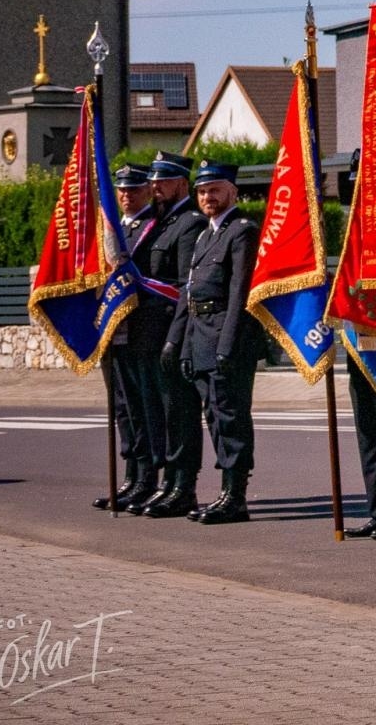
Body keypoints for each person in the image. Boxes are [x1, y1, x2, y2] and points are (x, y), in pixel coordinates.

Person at [166, 161, 262, 525]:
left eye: (215, 190)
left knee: (231, 417)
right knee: (214, 417)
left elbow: (239, 294)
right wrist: (187, 346)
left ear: (232, 192)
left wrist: (227, 345)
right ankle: (225, 493)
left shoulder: (241, 231)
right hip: (201, 335)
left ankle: (235, 495)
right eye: (203, 191)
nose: (208, 197)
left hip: (227, 336)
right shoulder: (206, 235)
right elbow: (191, 295)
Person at [142, 152, 210, 519]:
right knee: (162, 414)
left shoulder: (189, 224)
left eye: (163, 180)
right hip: (151, 335)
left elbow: (186, 287)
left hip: (175, 332)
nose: (155, 186)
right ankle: (169, 483)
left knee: (180, 413)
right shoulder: (161, 222)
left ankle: (184, 487)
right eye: (153, 180)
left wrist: (175, 338)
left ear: (182, 183)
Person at [93, 165, 160, 511]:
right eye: (120, 190)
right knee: (122, 408)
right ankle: (131, 476)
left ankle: (147, 478)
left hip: (140, 331)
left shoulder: (152, 227)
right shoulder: (113, 229)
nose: (125, 195)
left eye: (133, 190)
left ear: (147, 191)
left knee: (142, 407)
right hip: (113, 332)